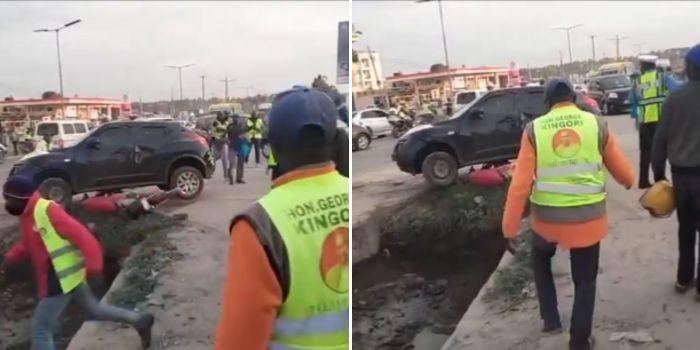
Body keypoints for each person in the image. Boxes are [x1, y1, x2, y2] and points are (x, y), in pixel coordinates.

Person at [502, 79, 634, 350]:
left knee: (540, 259)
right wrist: (629, 181)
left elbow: (520, 186)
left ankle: (550, 318)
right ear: (574, 99)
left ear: (547, 103)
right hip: (588, 221)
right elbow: (624, 174)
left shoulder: (534, 130)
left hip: (547, 222)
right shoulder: (596, 124)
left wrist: (509, 228)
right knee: (585, 282)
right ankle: (579, 341)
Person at [215, 87, 349, 349]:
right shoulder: (350, 192)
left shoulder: (260, 224)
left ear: (272, 144)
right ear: (334, 140)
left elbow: (239, 343)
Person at [1, 176, 154, 350]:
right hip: (68, 276)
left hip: (58, 278)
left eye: (9, 199)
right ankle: (140, 321)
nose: (7, 204)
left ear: (21, 198)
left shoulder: (47, 210)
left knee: (41, 328)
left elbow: (82, 235)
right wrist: (11, 257)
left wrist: (95, 266)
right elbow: (30, 243)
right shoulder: (27, 215)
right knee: (94, 311)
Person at [651, 43, 700, 296]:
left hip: (681, 177)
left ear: (690, 69)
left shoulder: (675, 99)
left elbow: (660, 140)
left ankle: (683, 279)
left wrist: (658, 175)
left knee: (686, 228)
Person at [633, 55, 668, 188]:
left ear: (643, 66)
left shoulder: (638, 81)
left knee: (645, 152)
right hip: (659, 120)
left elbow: (634, 101)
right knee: (660, 151)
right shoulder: (661, 78)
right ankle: (660, 179)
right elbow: (674, 90)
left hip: (644, 121)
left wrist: (637, 120)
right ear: (653, 65)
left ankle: (643, 181)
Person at [226, 113, 247, 185]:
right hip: (235, 146)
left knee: (238, 163)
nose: (235, 119)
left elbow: (245, 136)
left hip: (238, 146)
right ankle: (233, 178)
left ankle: (237, 178)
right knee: (233, 163)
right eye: (234, 118)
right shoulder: (232, 127)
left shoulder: (232, 126)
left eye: (236, 118)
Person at [211, 111, 231, 180]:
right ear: (218, 116)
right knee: (213, 158)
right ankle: (210, 171)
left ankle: (226, 175)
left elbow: (228, 130)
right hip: (216, 142)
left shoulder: (226, 122)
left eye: (222, 115)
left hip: (223, 142)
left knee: (225, 160)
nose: (221, 116)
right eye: (220, 115)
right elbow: (221, 128)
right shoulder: (215, 122)